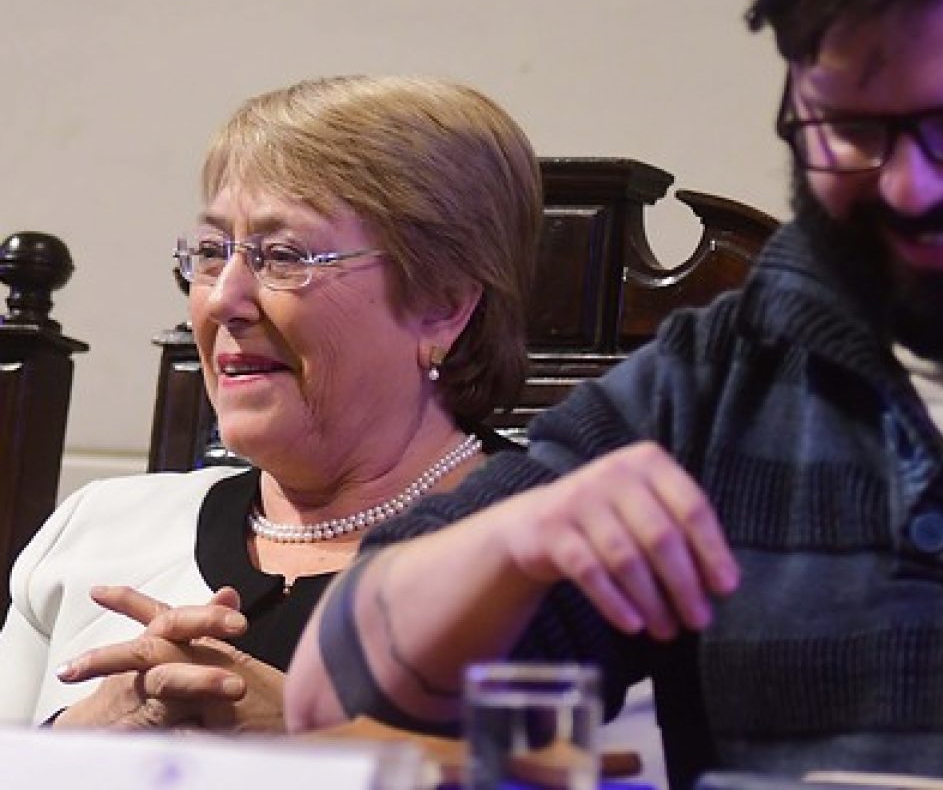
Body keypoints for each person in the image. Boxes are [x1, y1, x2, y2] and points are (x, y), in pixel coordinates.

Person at [285, 0, 943, 787]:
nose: (907, 186)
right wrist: (514, 538)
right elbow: (328, 697)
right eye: (849, 129)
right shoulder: (720, 379)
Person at [0, 74, 542, 730]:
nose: (223, 299)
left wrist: (312, 745)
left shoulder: (576, 558)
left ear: (443, 305)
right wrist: (86, 737)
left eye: (283, 256)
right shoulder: (96, 532)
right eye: (210, 252)